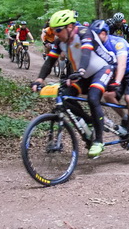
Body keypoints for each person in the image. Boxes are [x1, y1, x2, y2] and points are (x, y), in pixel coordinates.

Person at [32, 10, 116, 158]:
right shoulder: (59, 42)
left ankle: (98, 141)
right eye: (53, 30)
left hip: (104, 68)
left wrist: (80, 70)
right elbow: (50, 61)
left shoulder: (84, 33)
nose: (56, 34)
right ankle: (89, 121)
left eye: (58, 30)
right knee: (66, 96)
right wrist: (40, 79)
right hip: (84, 74)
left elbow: (86, 53)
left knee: (93, 97)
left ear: (70, 27)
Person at [90, 20, 129, 150]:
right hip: (117, 73)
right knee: (108, 95)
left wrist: (117, 82)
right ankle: (126, 118)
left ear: (104, 33)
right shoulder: (97, 46)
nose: (93, 38)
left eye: (96, 35)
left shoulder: (118, 42)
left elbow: (122, 64)